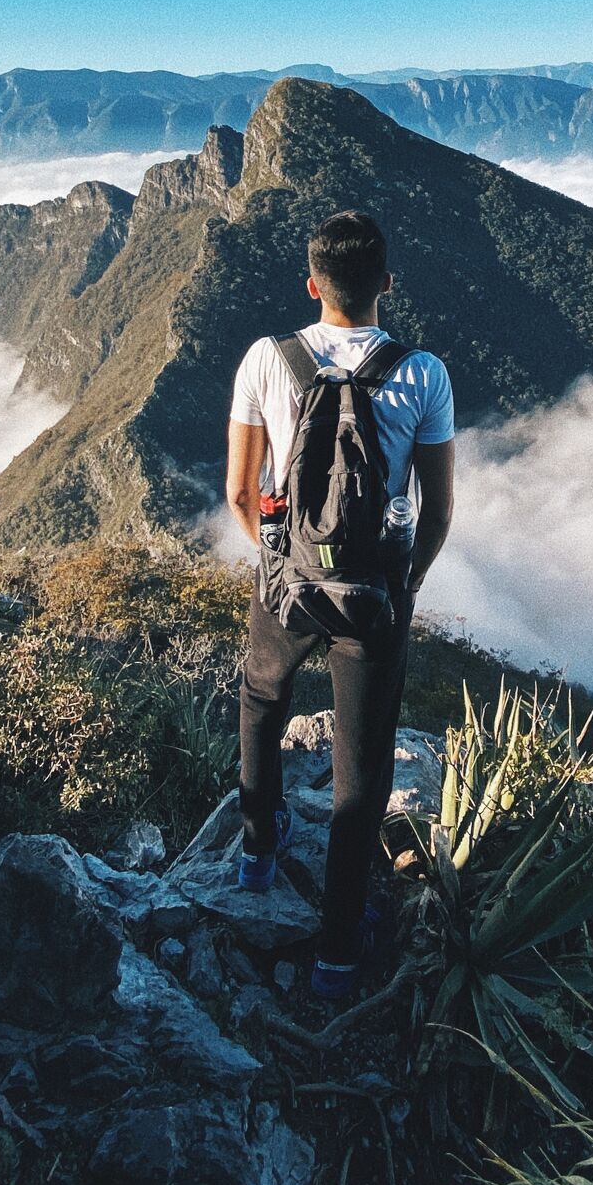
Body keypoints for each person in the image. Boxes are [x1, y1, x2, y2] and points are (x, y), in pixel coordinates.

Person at [226, 210, 455, 999]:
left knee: (261, 696)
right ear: (388, 284)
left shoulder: (267, 358)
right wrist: (406, 584)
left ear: (312, 284)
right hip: (373, 596)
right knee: (361, 772)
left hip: (287, 581)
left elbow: (237, 490)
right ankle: (336, 951)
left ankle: (257, 849)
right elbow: (437, 511)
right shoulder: (423, 374)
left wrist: (278, 562)